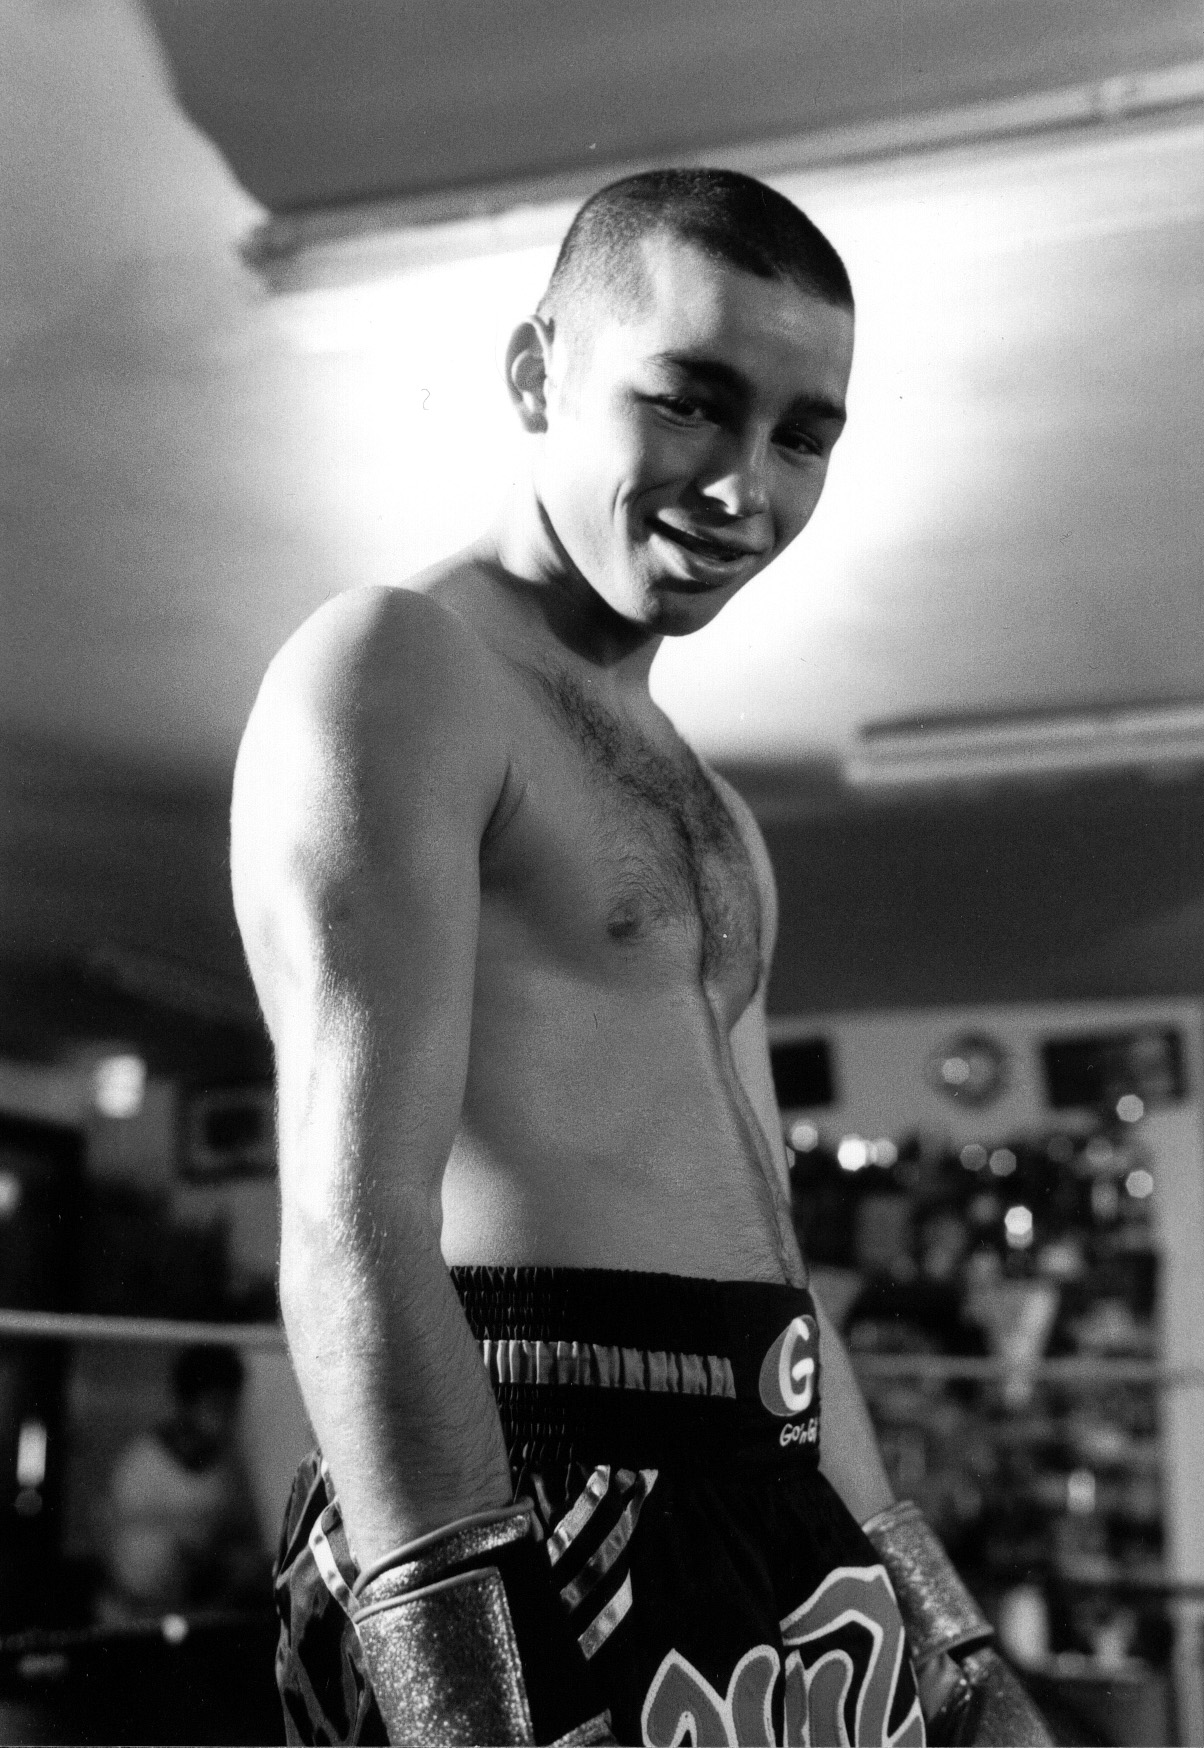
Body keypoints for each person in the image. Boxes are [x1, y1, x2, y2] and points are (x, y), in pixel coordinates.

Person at [232, 169, 1050, 1745]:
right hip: (516, 1494)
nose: (745, 489)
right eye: (691, 403)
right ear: (537, 373)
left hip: (768, 1484)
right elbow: (352, 1223)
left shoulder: (714, 811)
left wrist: (951, 1646)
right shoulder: (400, 667)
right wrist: (466, 1699)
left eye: (803, 437)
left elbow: (778, 1268)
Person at [98, 1343, 267, 1625]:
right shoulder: (142, 1463)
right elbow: (128, 1561)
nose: (227, 1418)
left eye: (232, 1407)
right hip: (136, 1616)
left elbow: (240, 1537)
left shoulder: (226, 1467)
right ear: (188, 1404)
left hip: (194, 1611)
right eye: (217, 1405)